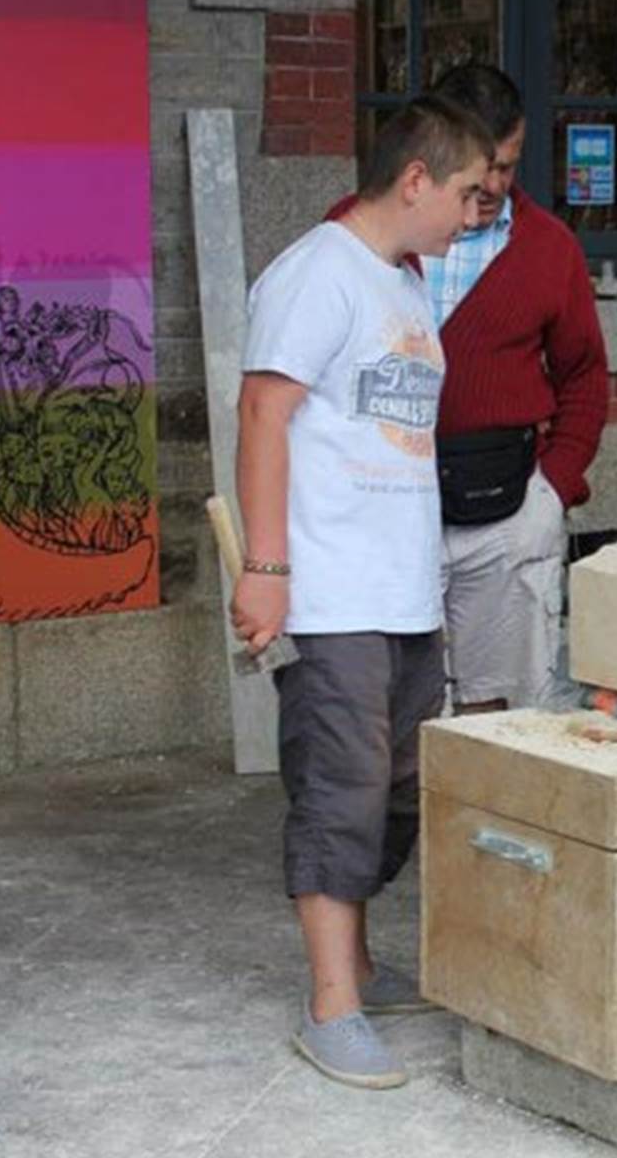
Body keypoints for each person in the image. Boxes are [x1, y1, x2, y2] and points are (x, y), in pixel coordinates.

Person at [232, 96, 493, 1090]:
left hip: (403, 590)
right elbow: (263, 411)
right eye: (466, 193)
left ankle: (362, 967)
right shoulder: (316, 273)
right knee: (340, 791)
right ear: (416, 179)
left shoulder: (405, 281)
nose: (474, 213)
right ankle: (330, 1004)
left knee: (397, 792)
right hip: (330, 590)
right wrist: (266, 570)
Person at [329, 65, 610, 714]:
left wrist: (553, 488)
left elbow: (585, 376)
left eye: (507, 165)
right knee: (396, 711)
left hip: (508, 509)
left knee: (505, 713)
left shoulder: (549, 248)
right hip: (386, 508)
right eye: (481, 166)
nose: (493, 185)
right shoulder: (359, 235)